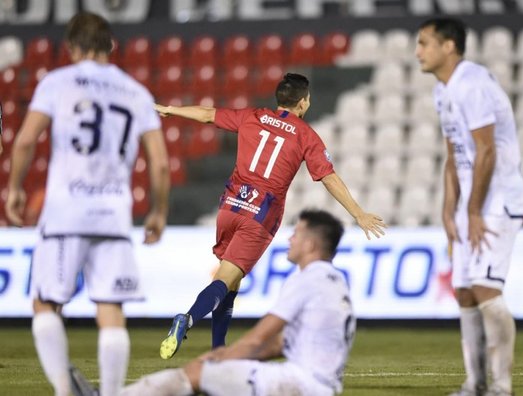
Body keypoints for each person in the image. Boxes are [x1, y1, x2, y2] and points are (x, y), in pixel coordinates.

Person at [154, 73, 385, 359]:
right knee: (226, 278)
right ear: (302, 103)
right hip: (260, 214)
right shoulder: (305, 135)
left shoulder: (253, 116)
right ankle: (187, 320)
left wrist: (170, 109)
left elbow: (207, 115)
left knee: (231, 282)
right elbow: (328, 177)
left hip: (229, 207)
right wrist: (358, 213)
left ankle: (219, 352)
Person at [5, 12, 170, 396]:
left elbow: (26, 140)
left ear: (72, 47)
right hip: (113, 214)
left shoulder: (56, 82)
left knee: (46, 304)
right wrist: (159, 211)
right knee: (111, 309)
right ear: (111, 46)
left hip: (64, 210)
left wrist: (15, 188)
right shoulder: (136, 92)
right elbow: (160, 162)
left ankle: (65, 390)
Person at [72, 209, 355, 396]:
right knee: (211, 374)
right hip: (323, 386)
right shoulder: (336, 282)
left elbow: (263, 333)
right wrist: (226, 355)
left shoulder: (306, 279)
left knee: (195, 373)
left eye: (298, 233)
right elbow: (280, 344)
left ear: (310, 245)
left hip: (297, 384)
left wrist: (226, 354)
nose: (290, 238)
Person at [416, 18, 523, 396]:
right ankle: (476, 385)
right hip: (473, 204)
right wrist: (451, 210)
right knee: (463, 291)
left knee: (484, 289)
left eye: (424, 43)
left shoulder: (473, 83)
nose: (418, 51)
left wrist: (475, 211)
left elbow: (486, 149)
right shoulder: (443, 91)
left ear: (449, 46)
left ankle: (501, 387)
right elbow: (454, 154)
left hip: (498, 200)